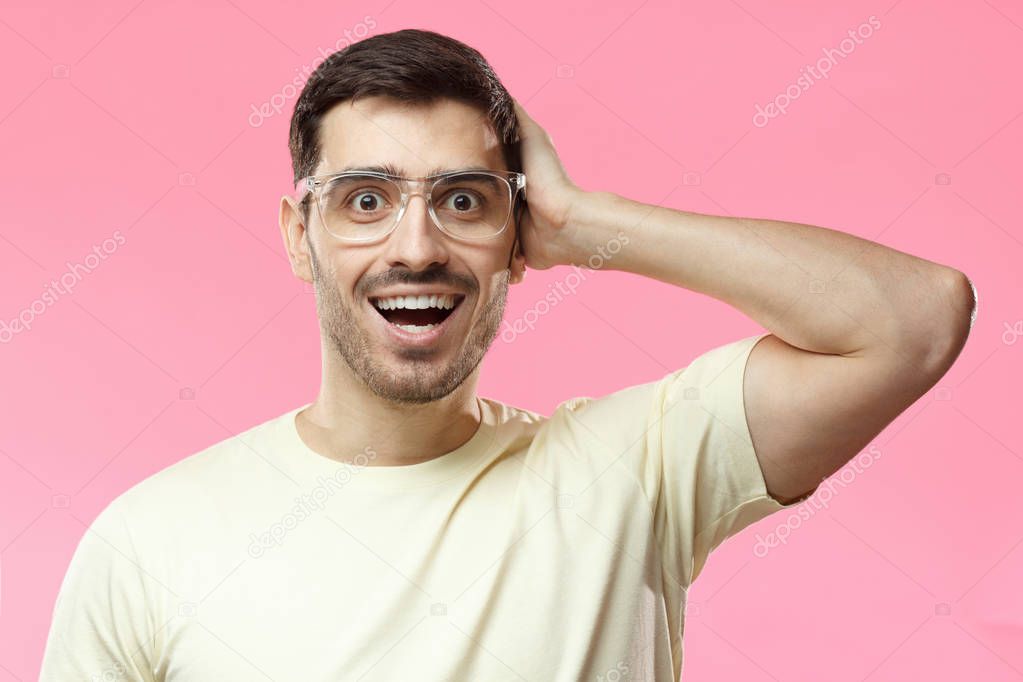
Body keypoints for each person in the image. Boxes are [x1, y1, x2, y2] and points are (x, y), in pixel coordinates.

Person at [39, 28, 974, 681]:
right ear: (299, 235)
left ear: (517, 237)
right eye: (365, 199)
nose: (415, 246)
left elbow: (915, 320)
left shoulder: (633, 471)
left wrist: (586, 221)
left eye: (462, 200)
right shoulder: (149, 541)